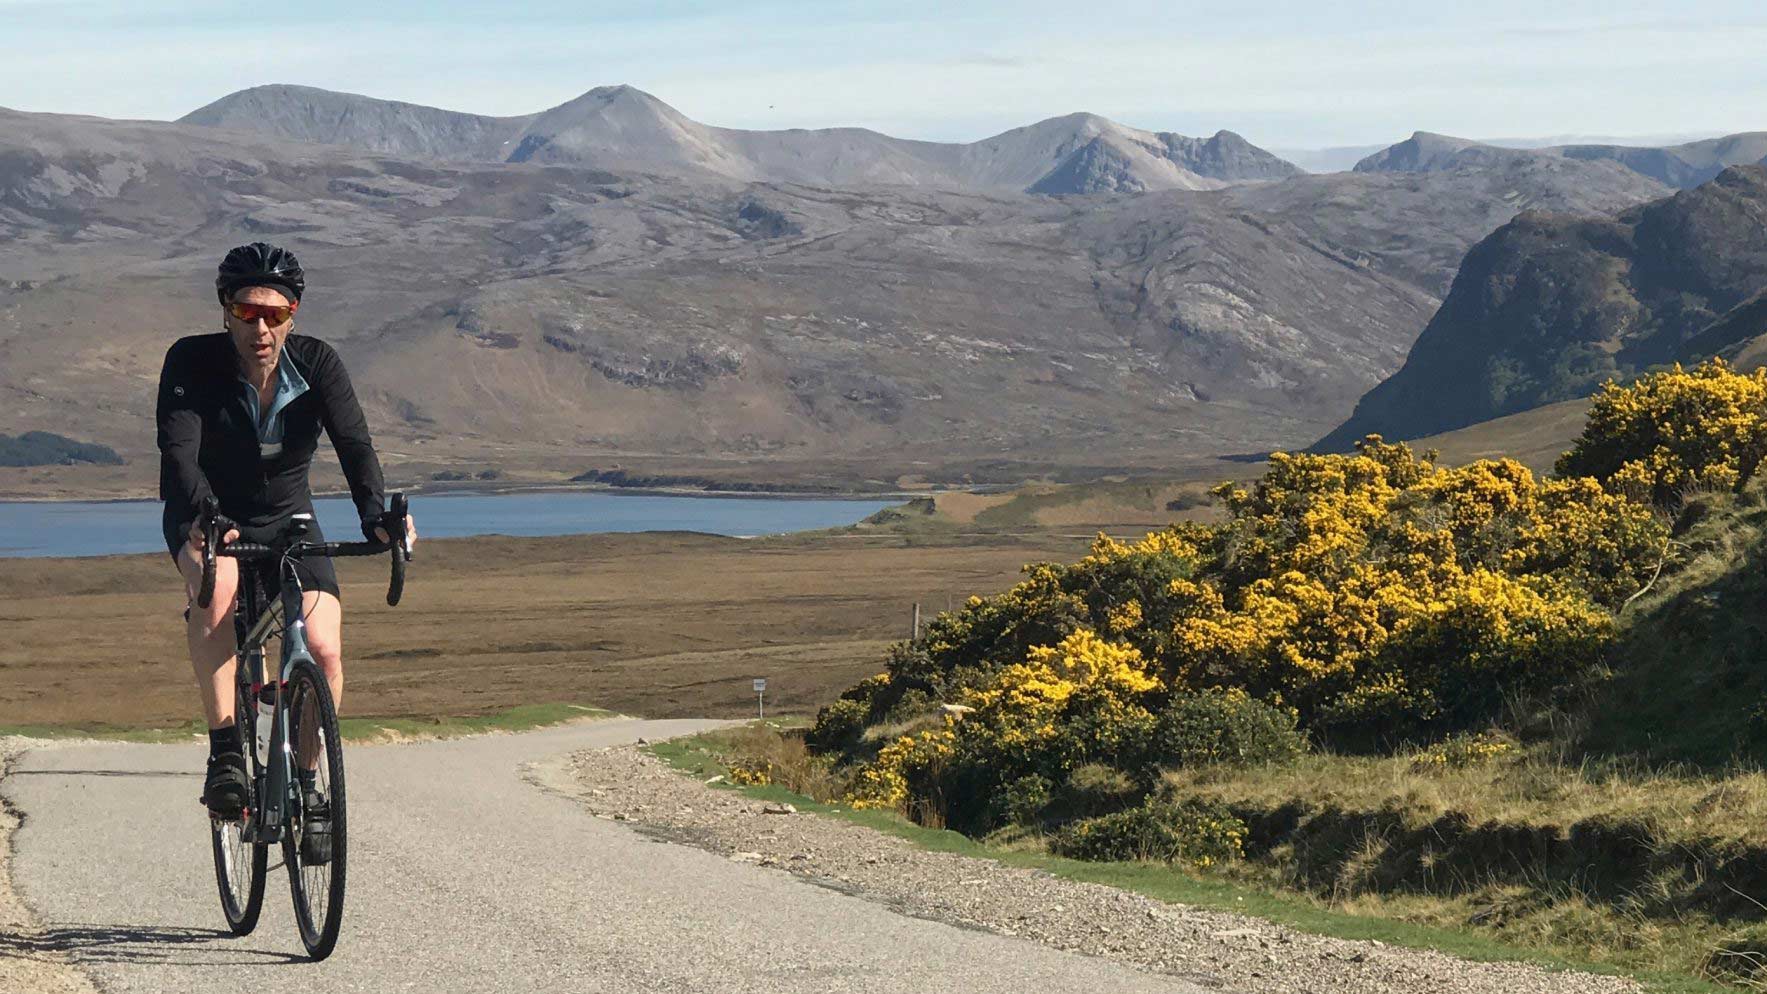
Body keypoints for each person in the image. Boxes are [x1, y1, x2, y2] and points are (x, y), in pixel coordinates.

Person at [156, 242, 416, 858]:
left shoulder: (318, 365)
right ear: (226, 310)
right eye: (249, 313)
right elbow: (178, 455)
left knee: (323, 649)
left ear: (294, 314)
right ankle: (225, 755)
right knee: (216, 593)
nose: (263, 327)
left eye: (277, 314)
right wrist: (205, 517)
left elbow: (356, 447)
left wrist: (377, 516)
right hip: (206, 513)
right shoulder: (191, 362)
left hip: (288, 518)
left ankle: (307, 783)